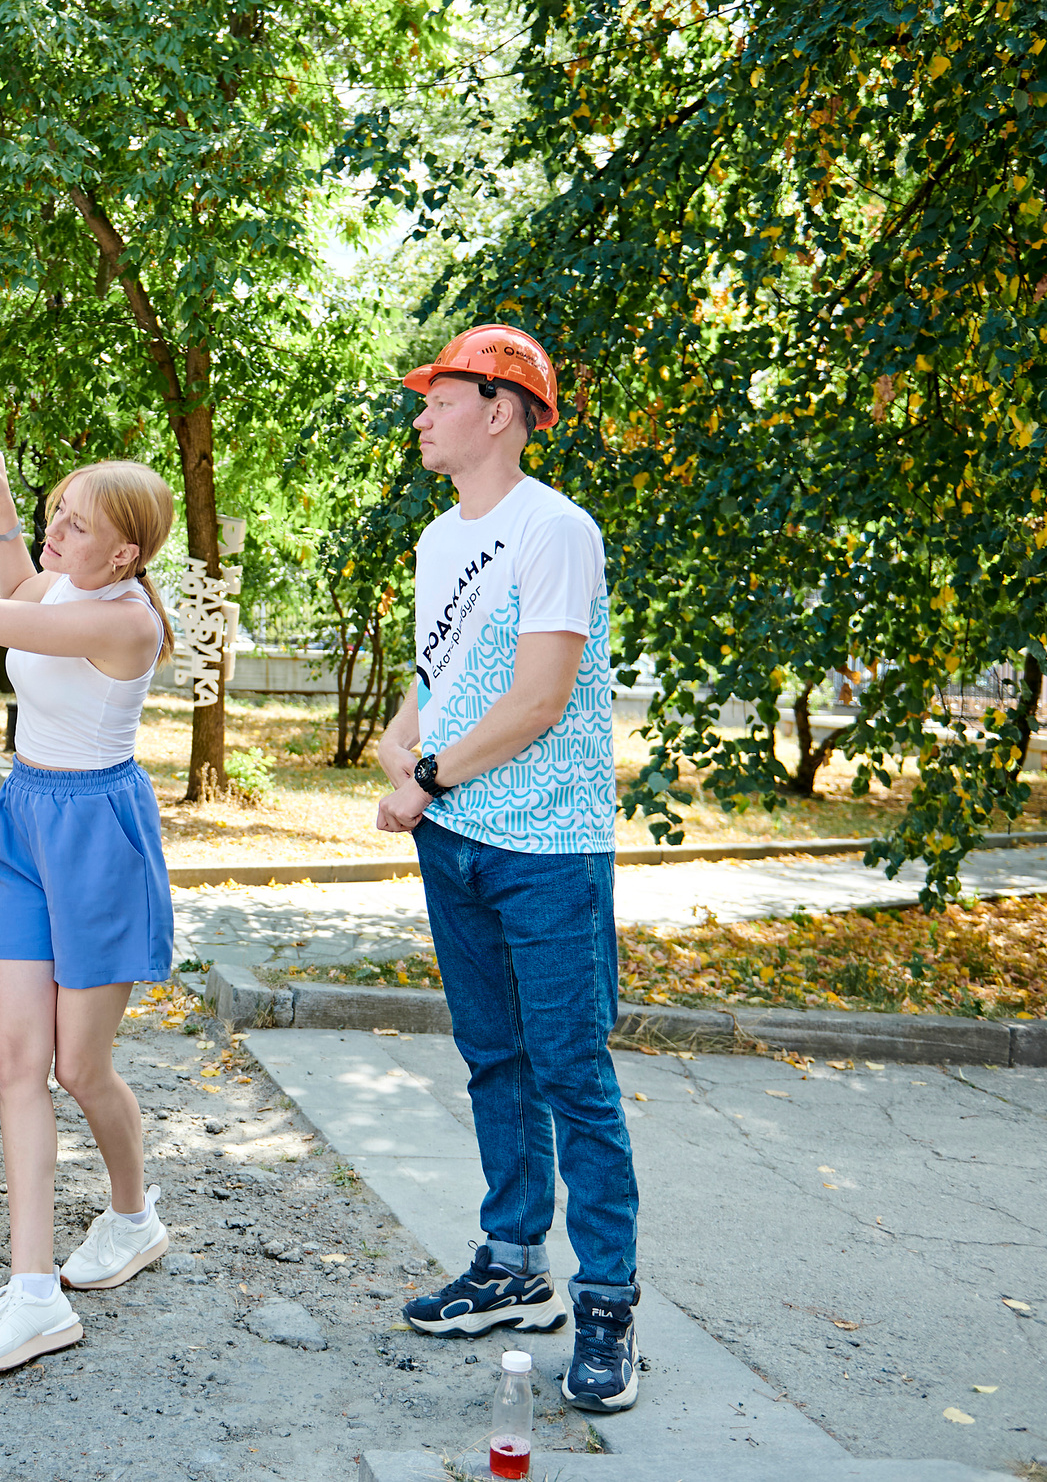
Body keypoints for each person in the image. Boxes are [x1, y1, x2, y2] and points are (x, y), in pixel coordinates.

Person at [371, 324, 642, 1413]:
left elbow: (536, 701)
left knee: (572, 1073)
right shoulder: (443, 538)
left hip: (548, 850)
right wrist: (401, 742)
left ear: (501, 409)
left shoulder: (556, 530)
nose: (421, 414)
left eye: (439, 397)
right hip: (459, 841)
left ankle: (610, 1306)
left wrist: (423, 774)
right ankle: (512, 1269)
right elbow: (439, 673)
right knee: (492, 1059)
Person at [0, 444, 178, 1374]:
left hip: (97, 835)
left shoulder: (126, 621)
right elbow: (23, 584)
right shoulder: (69, 587)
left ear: (124, 558)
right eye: (58, 508)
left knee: (80, 1066)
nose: (59, 526)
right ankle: (34, 1292)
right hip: (29, 813)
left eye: (78, 521)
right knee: (16, 1058)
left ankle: (133, 1213)